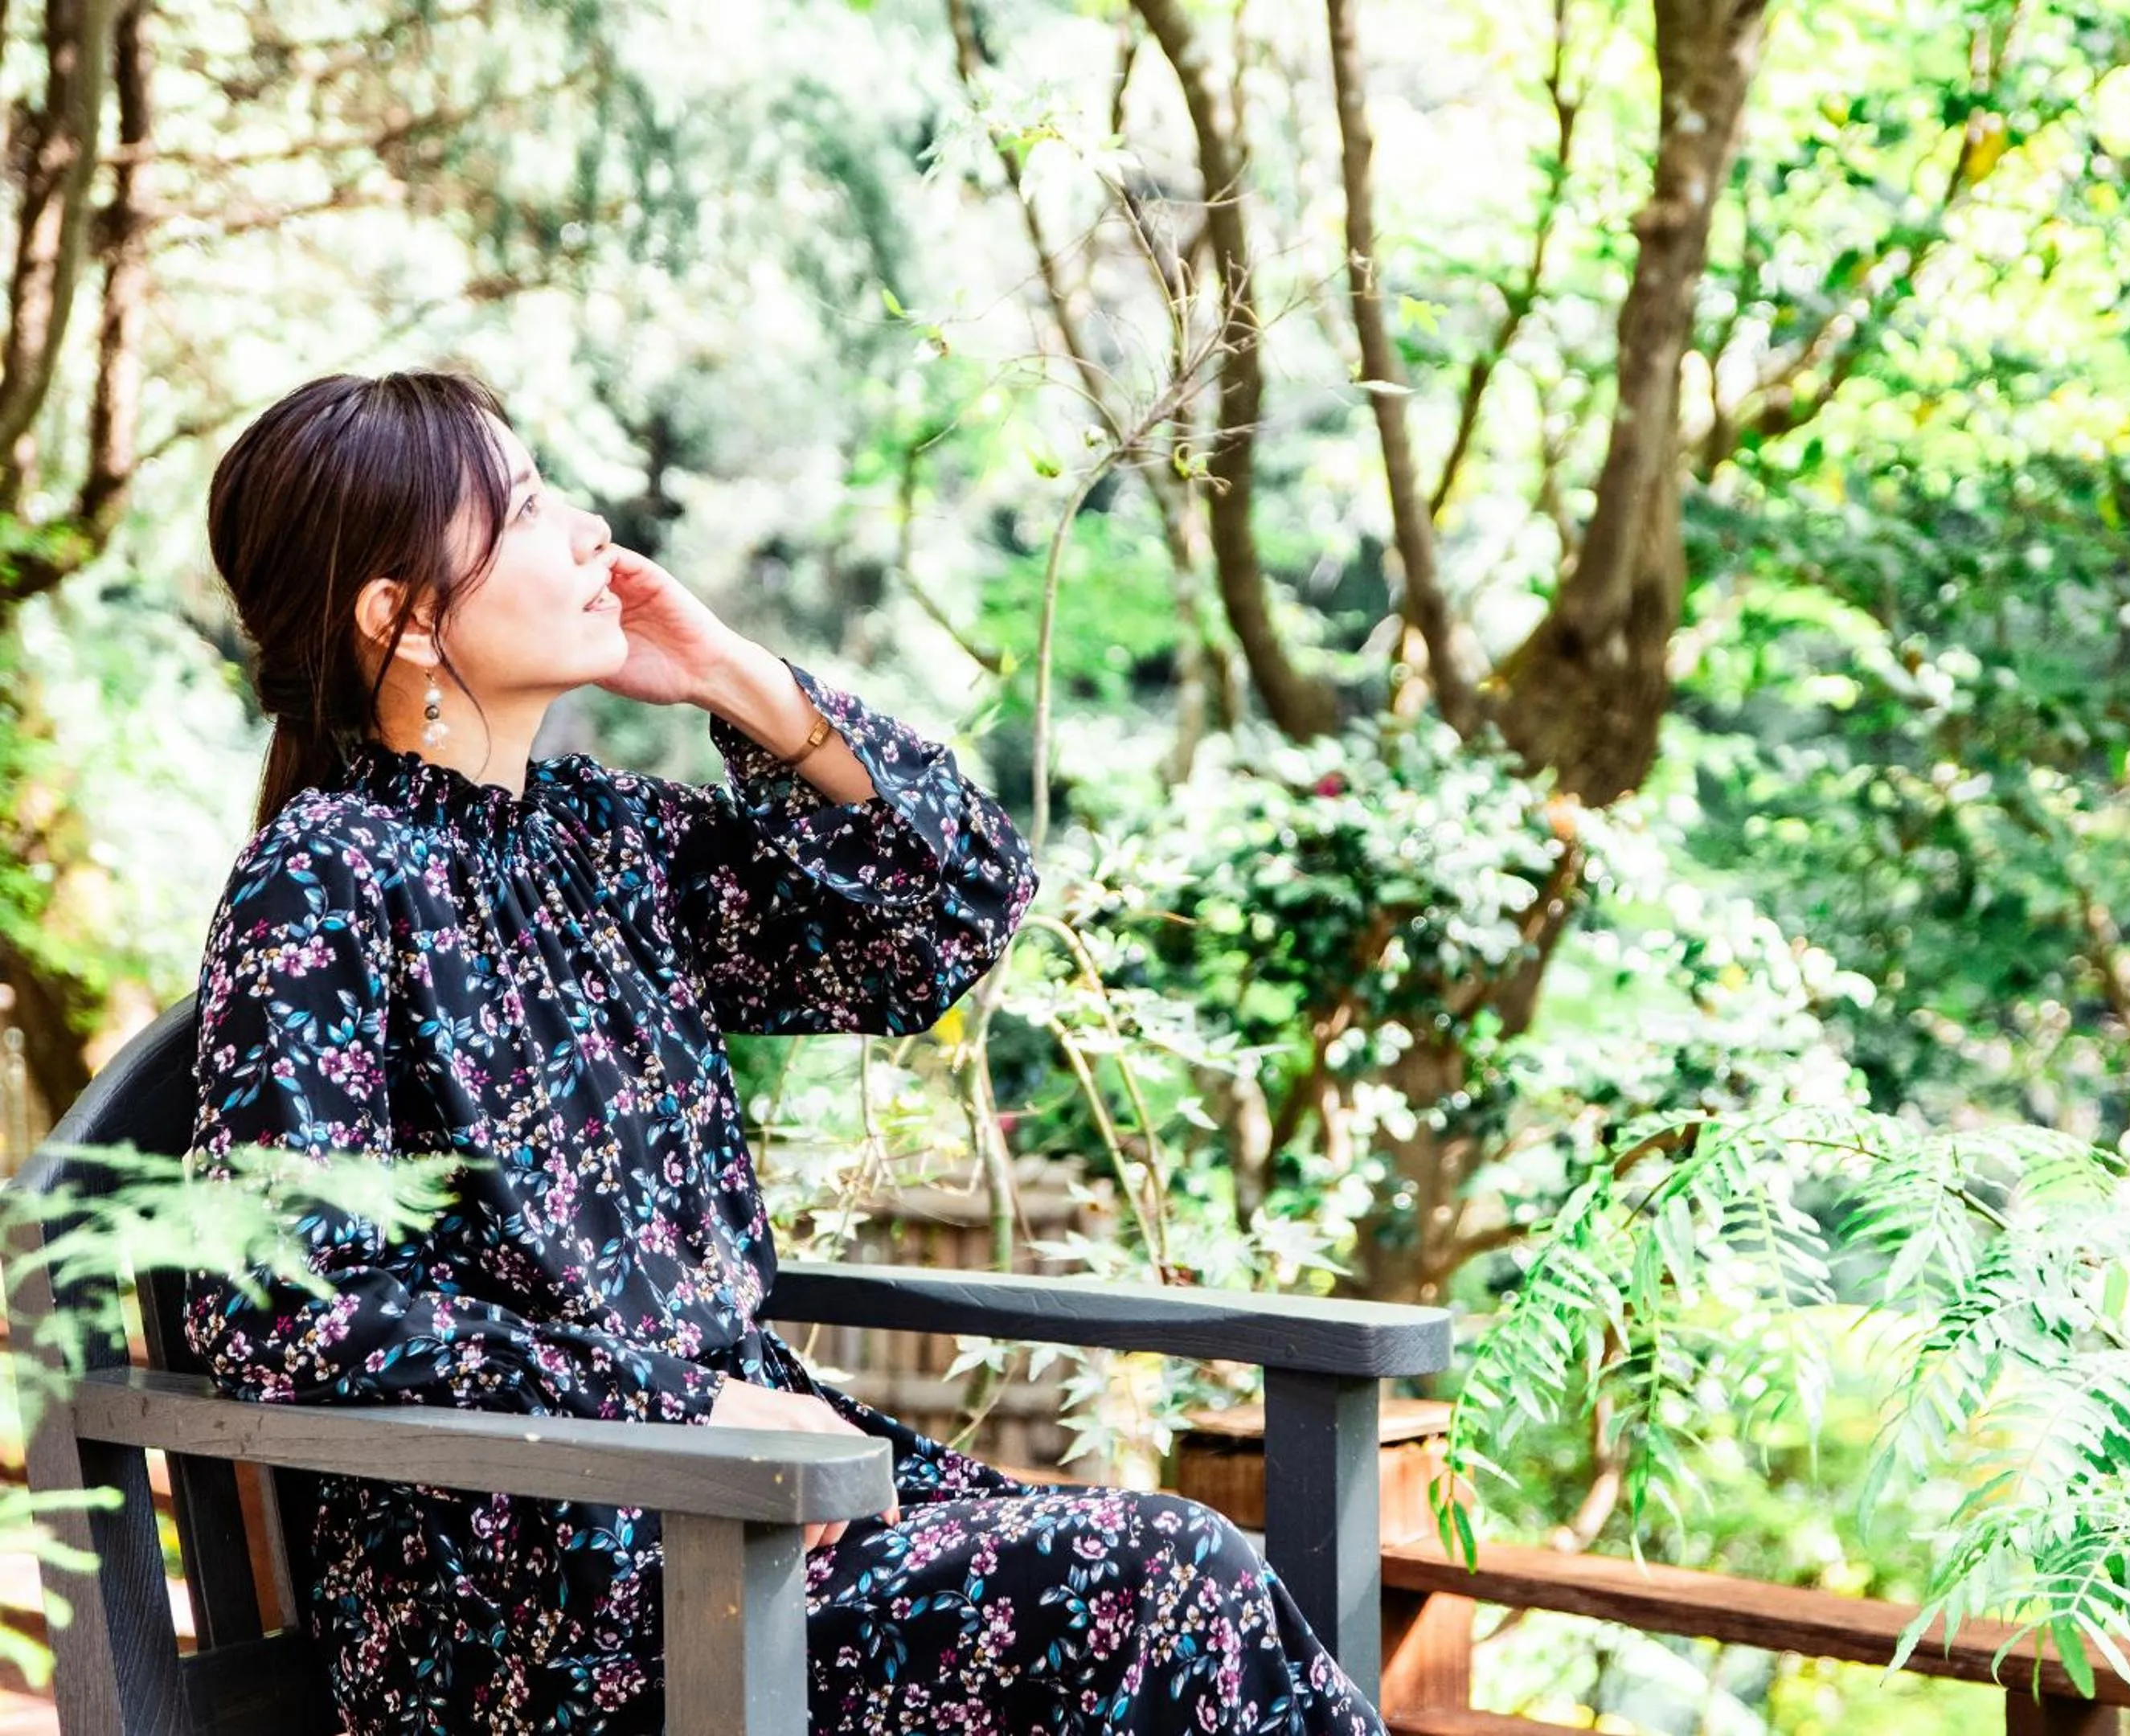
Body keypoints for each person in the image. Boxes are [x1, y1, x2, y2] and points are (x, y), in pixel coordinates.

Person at [178, 370, 1383, 1736]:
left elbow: (950, 908)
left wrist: (732, 678)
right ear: (398, 617)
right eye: (522, 512)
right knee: (1168, 1583)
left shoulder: (600, 844)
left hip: (748, 1523)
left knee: (1177, 1589)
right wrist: (682, 1404)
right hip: (538, 1602)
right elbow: (282, 1300)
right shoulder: (325, 879)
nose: (589, 535)